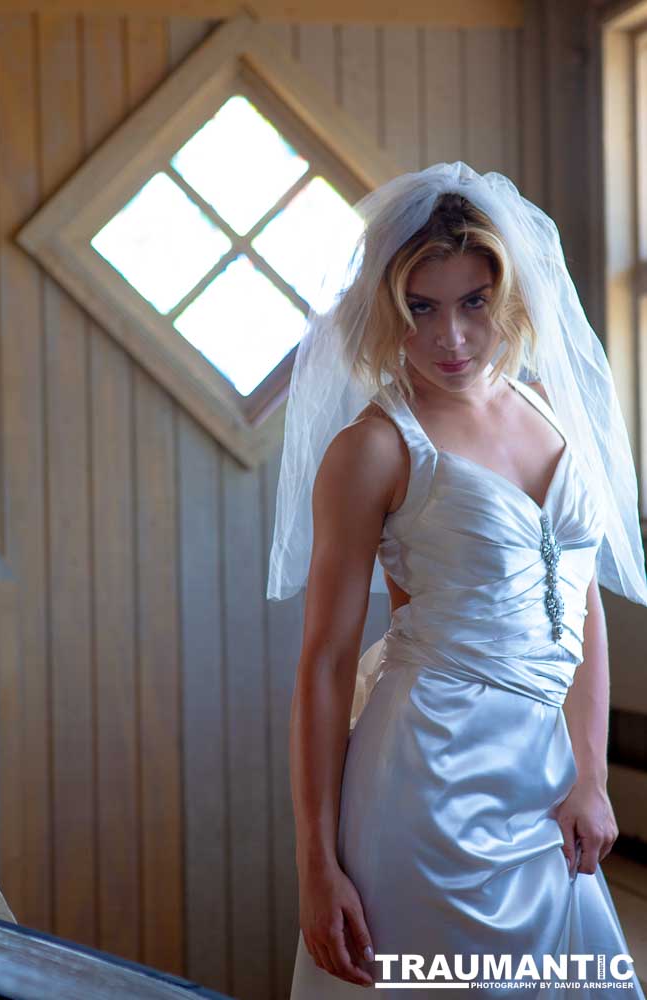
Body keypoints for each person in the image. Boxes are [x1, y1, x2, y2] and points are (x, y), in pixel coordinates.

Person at [267, 164, 647, 999]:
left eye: (473, 301)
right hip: (424, 783)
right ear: (385, 309)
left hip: (549, 781)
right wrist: (316, 864)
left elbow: (581, 604)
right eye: (421, 308)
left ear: (508, 294)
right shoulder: (372, 449)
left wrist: (590, 776)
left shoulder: (551, 407)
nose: (451, 338)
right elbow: (324, 666)